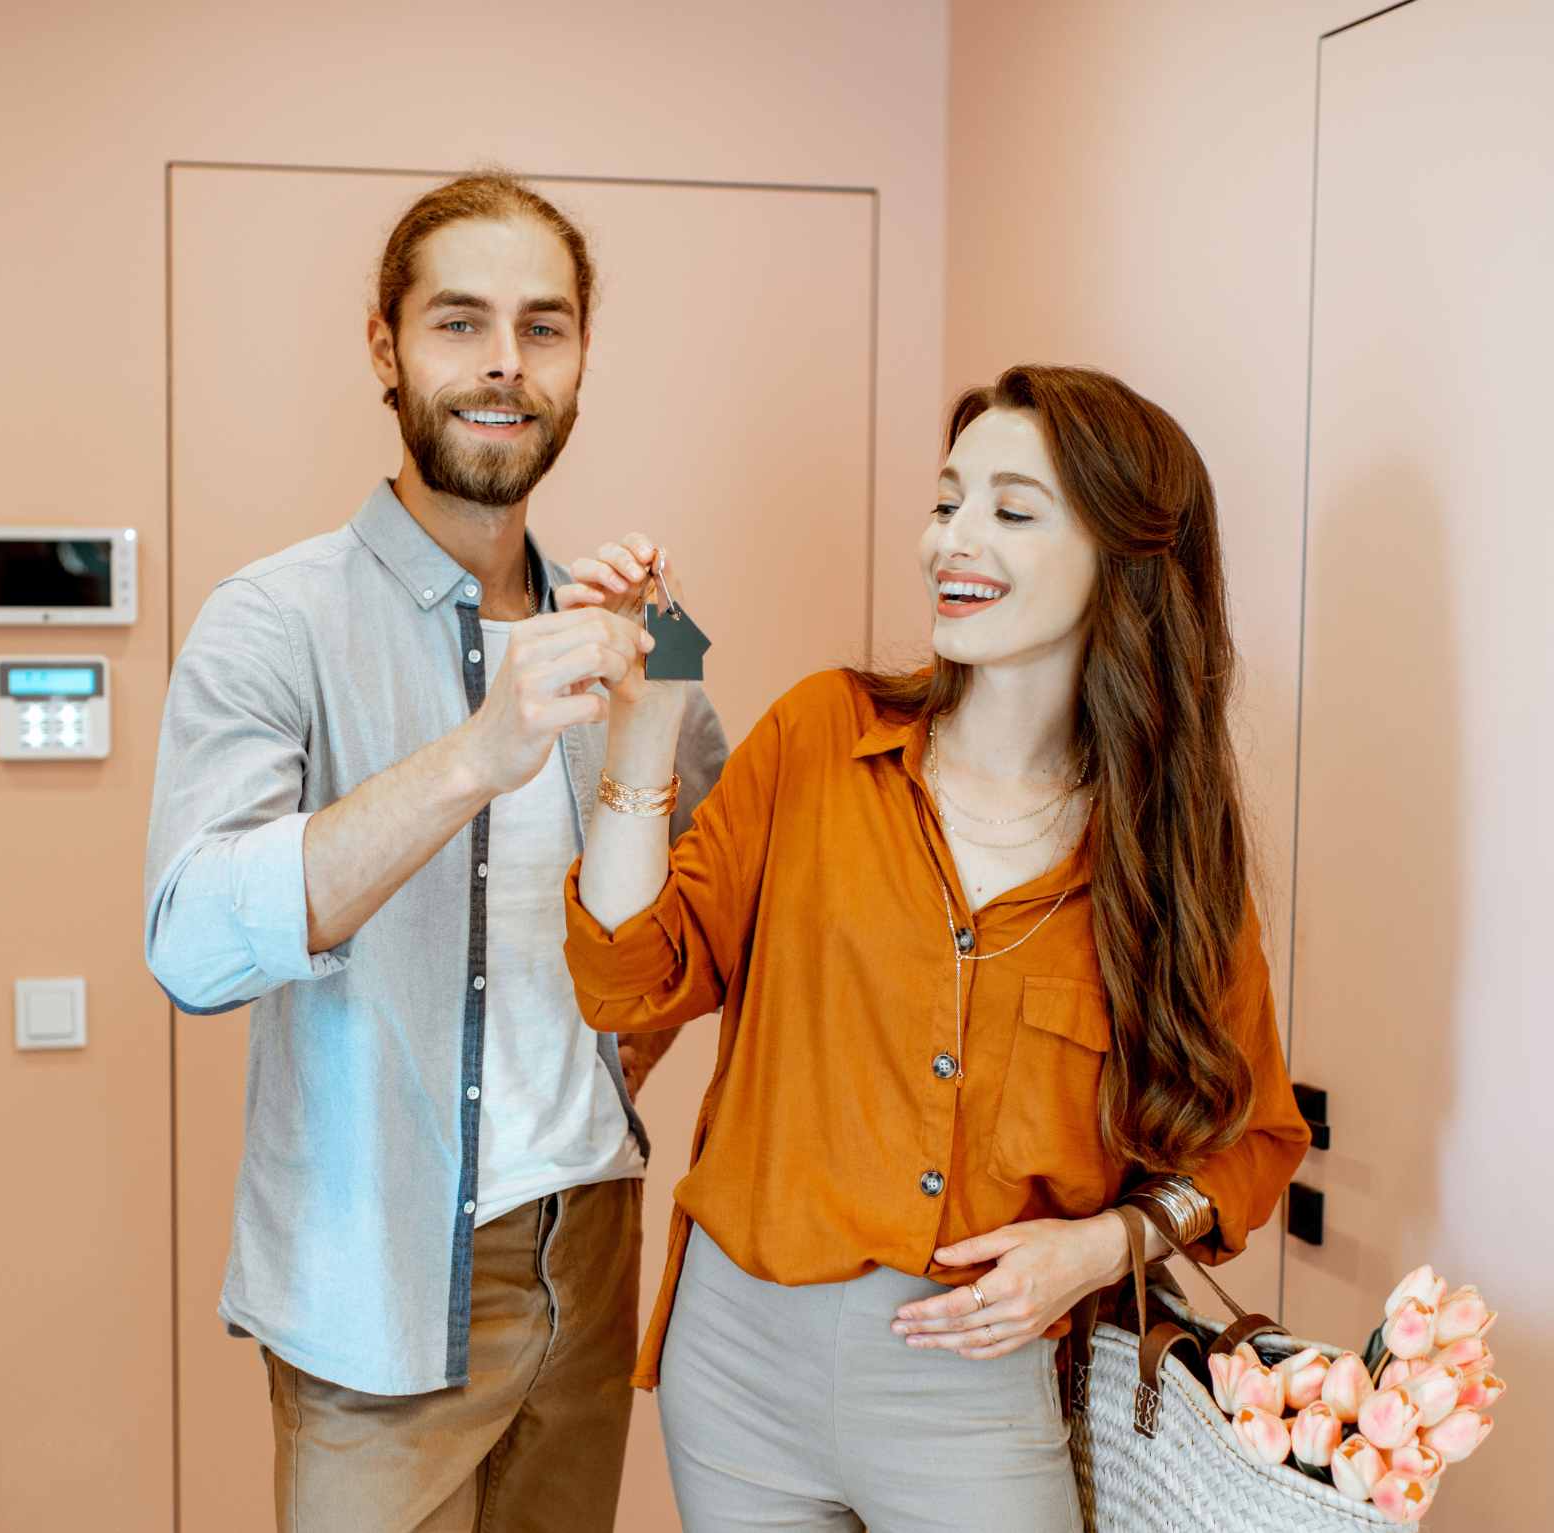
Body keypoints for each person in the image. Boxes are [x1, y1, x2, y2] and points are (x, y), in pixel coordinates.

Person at [559, 364, 1311, 1531]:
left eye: (1012, 511)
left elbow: (1252, 1143)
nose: (952, 539)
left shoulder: (1167, 853)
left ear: (1124, 560)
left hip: (981, 1383)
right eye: (948, 501)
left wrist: (1102, 1247)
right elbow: (626, 977)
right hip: (740, 1362)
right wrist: (649, 717)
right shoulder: (822, 733)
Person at [143, 171, 729, 1533]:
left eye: (545, 327)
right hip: (379, 1278)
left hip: (593, 1244)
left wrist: (677, 664)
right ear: (385, 348)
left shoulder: (620, 629)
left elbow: (702, 915)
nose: (503, 367)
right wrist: (476, 752)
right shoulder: (270, 619)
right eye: (459, 322)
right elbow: (189, 942)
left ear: (581, 359)